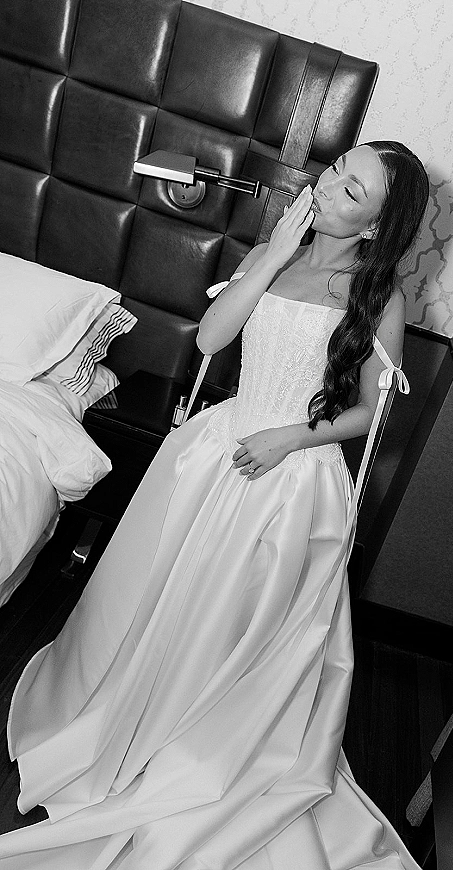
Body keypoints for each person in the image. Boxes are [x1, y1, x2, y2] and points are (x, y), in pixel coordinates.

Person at [0, 141, 429, 869]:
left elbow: (372, 413)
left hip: (291, 472)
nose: (328, 187)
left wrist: (291, 437)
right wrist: (275, 253)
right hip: (217, 449)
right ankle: (126, 711)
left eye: (352, 191)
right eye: (335, 170)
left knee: (231, 621)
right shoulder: (273, 253)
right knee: (162, 595)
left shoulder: (379, 295)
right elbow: (211, 337)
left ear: (376, 226)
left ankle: (196, 744)